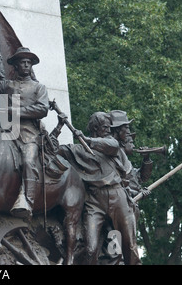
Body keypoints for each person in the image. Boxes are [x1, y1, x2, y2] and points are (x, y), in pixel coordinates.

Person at [59, 112, 141, 265]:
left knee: (129, 245)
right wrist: (58, 126)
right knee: (90, 249)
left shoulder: (111, 144)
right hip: (94, 200)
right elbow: (55, 149)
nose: (109, 130)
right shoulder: (78, 150)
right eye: (105, 127)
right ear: (96, 128)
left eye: (110, 127)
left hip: (117, 195)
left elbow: (112, 145)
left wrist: (87, 139)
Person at [0, 47, 50, 218]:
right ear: (16, 66)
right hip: (5, 130)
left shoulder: (38, 87)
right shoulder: (6, 85)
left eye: (29, 62)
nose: (26, 65)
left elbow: (42, 109)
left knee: (28, 161)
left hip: (29, 133)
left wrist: (15, 110)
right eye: (22, 62)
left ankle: (27, 201)